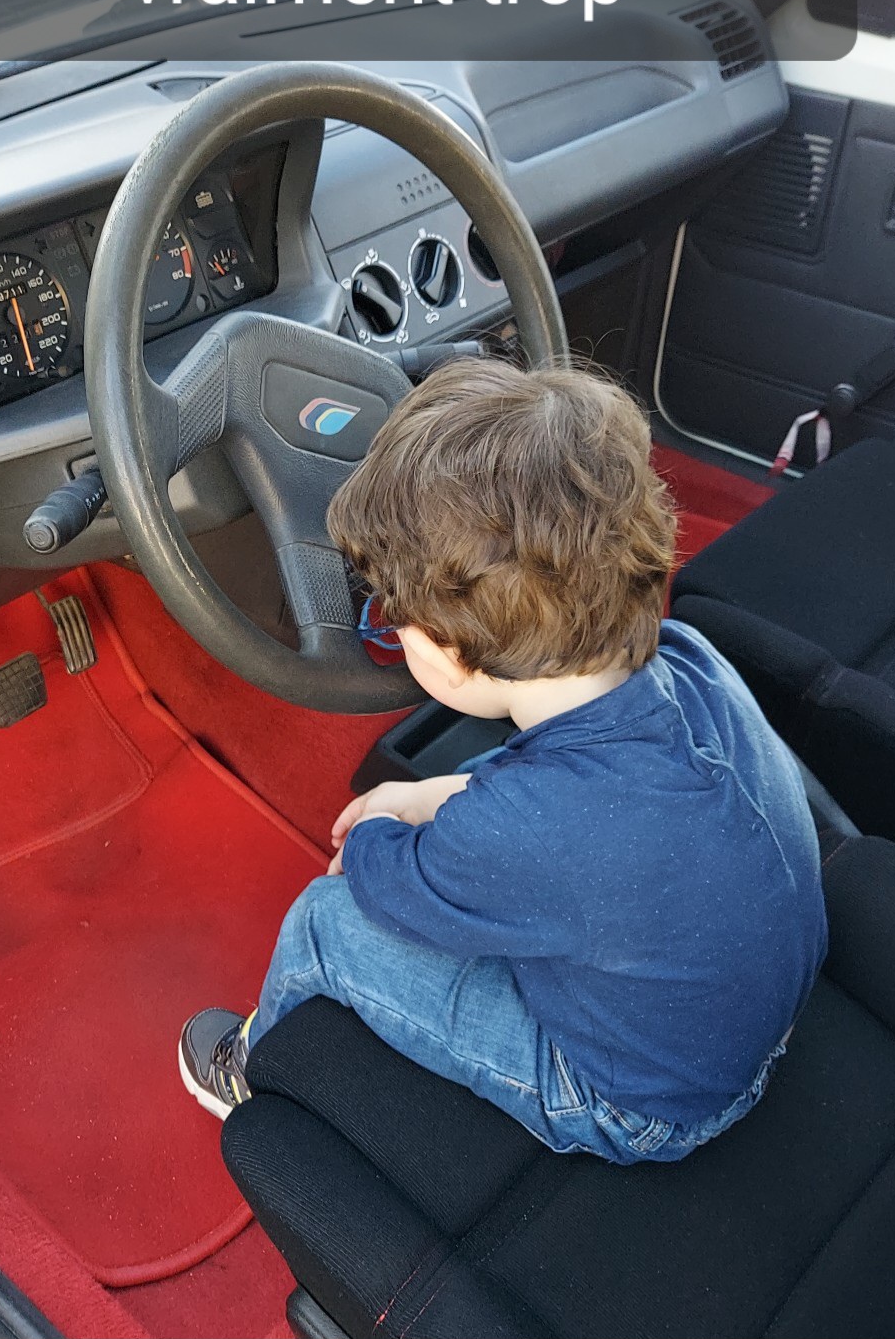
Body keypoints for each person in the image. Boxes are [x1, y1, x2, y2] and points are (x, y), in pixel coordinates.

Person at [178, 359, 827, 1162]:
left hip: (650, 1106)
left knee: (324, 920)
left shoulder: (525, 828)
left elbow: (389, 887)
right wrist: (433, 795)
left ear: (447, 654)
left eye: (391, 619)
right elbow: (572, 809)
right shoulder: (689, 661)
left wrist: (378, 834)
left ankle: (250, 1070)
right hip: (753, 1014)